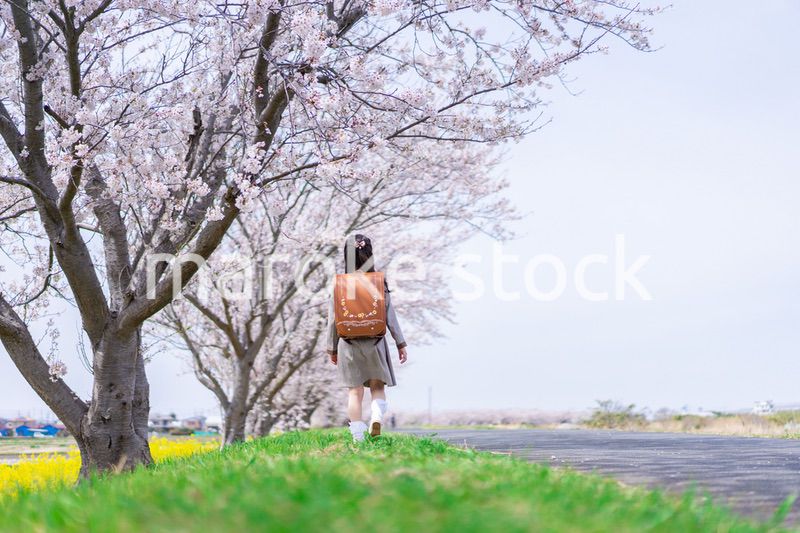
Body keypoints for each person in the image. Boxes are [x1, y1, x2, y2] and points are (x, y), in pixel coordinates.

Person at [326, 234, 408, 441]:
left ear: (347, 256)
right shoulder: (379, 283)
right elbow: (390, 316)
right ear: (370, 254)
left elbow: (333, 320)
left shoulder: (339, 285)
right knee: (377, 387)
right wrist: (400, 343)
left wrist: (332, 348)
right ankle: (377, 417)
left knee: (354, 393)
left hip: (348, 343)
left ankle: (358, 437)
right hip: (376, 342)